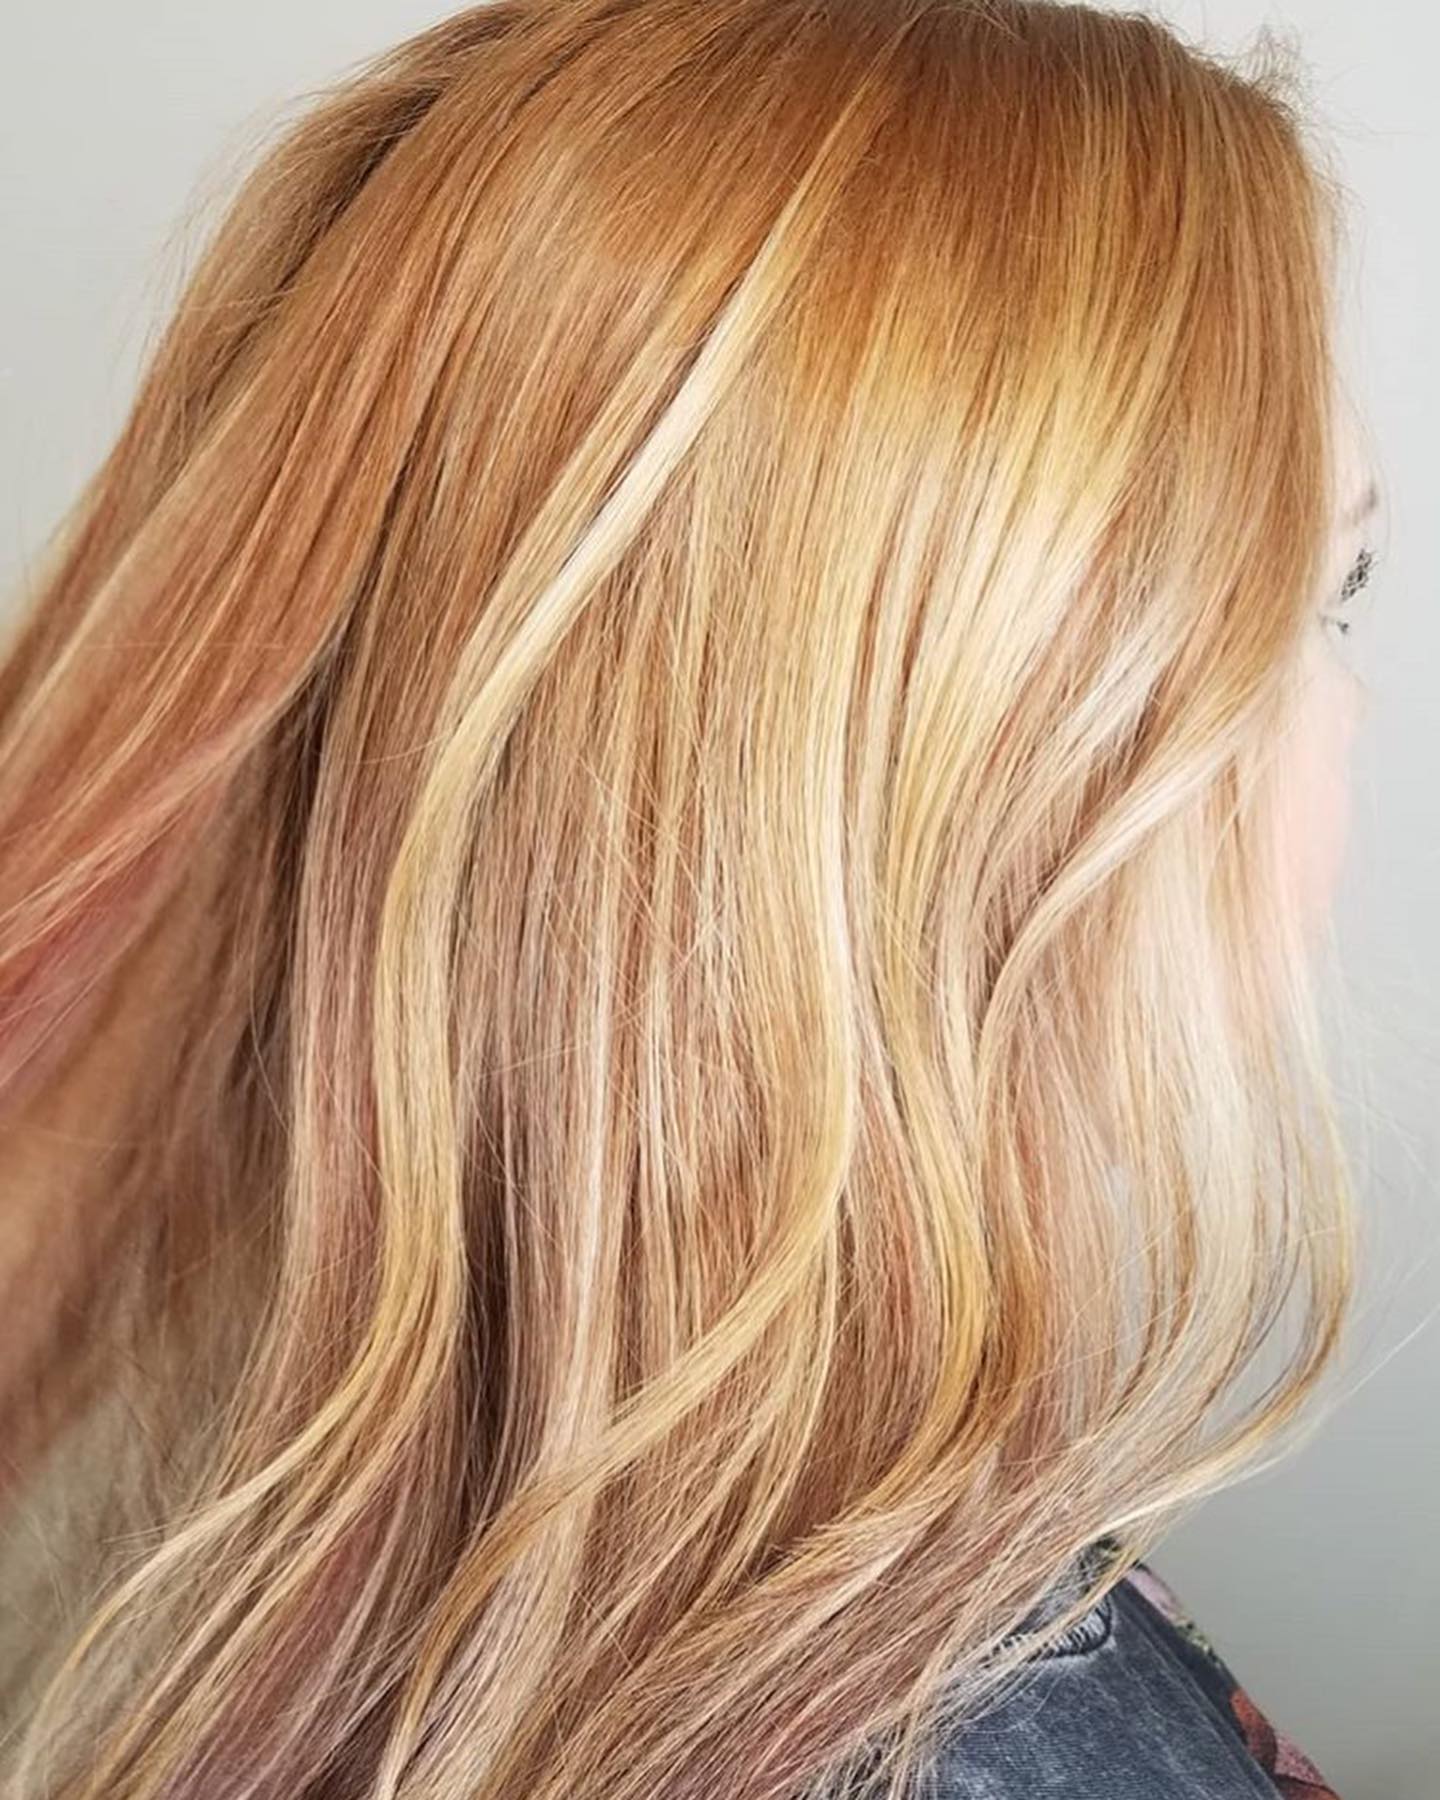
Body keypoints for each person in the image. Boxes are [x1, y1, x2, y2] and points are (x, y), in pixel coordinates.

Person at [0, 0, 1380, 1794]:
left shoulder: (167, 1437)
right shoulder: (973, 1731)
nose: (1343, 713)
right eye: (1315, 600)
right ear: (980, 769)